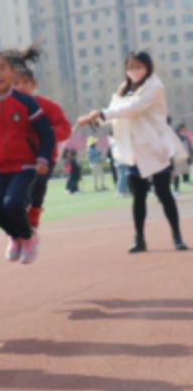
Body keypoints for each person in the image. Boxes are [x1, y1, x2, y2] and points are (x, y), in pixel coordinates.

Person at [77, 51, 188, 251]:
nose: (134, 70)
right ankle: (139, 239)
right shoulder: (123, 89)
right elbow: (116, 114)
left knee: (163, 193)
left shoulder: (154, 86)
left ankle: (177, 237)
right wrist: (95, 119)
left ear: (148, 67)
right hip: (133, 150)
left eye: (138, 66)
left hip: (155, 147)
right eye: (130, 67)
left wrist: (100, 113)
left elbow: (134, 108)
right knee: (138, 196)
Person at [0, 42, 55, 264]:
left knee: (13, 204)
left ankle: (27, 237)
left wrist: (43, 158)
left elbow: (46, 133)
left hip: (24, 167)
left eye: (2, 68)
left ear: (12, 72)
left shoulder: (26, 102)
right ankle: (15, 235)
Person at [11, 53, 72, 229]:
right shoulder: (6, 108)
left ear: (34, 85)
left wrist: (46, 135)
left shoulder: (47, 105)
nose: (21, 86)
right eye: (16, 83)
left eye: (25, 82)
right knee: (21, 191)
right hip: (18, 159)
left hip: (44, 156)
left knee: (37, 183)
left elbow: (65, 128)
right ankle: (21, 223)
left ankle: (35, 210)